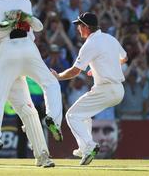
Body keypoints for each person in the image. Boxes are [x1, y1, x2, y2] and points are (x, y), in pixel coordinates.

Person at [0, 0, 63, 160]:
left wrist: (12, 23)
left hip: (8, 61)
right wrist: (14, 22)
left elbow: (30, 32)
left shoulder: (0, 6)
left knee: (27, 110)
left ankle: (42, 155)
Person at [51, 12, 127, 165]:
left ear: (86, 27)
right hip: (118, 90)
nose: (78, 29)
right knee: (83, 115)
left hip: (106, 90)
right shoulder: (110, 38)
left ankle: (89, 146)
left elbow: (75, 71)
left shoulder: (90, 44)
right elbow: (124, 58)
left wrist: (58, 76)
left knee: (72, 115)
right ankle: (83, 147)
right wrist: (103, 67)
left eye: (79, 25)